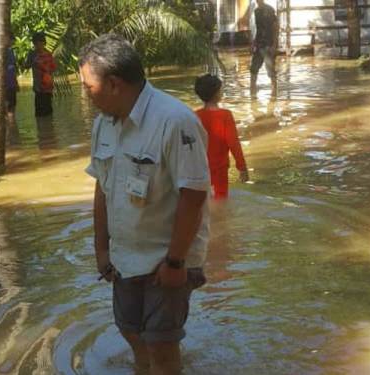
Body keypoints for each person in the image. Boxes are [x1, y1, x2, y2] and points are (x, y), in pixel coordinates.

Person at [79, 34, 210, 375]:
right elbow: (101, 187)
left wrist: (176, 262)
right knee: (131, 333)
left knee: (162, 346)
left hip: (165, 260)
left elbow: (194, 195)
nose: (86, 94)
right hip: (124, 258)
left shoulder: (175, 121)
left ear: (114, 84)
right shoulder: (102, 125)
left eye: (88, 86)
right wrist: (101, 249)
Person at [194, 74, 248, 200]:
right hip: (220, 169)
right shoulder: (225, 115)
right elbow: (233, 143)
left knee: (205, 201)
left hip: (200, 168)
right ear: (217, 94)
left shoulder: (195, 116)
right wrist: (242, 167)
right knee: (220, 201)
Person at [250, 0, 279, 97]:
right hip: (258, 44)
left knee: (270, 69)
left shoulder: (269, 9)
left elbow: (275, 27)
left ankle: (274, 92)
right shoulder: (256, 11)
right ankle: (252, 92)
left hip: (268, 44)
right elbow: (258, 29)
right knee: (254, 68)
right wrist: (253, 43)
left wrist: (274, 44)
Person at [26, 31, 57, 117]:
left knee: (48, 112)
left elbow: (53, 68)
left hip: (47, 87)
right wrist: (33, 63)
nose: (38, 45)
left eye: (40, 43)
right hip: (38, 87)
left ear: (44, 43)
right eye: (36, 43)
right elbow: (26, 66)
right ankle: (42, 129)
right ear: (34, 44)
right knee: (39, 113)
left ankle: (48, 129)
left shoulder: (48, 54)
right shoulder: (32, 54)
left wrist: (45, 69)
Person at [5, 32, 20, 143]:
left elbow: (13, 69)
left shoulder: (11, 51)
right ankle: (11, 126)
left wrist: (16, 83)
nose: (12, 42)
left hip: (11, 83)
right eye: (11, 40)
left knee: (12, 106)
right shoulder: (3, 52)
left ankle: (12, 126)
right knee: (8, 107)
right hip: (6, 84)